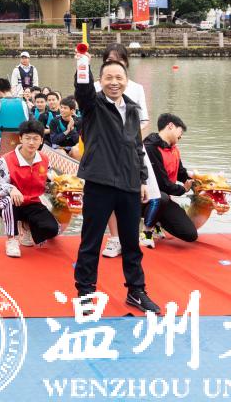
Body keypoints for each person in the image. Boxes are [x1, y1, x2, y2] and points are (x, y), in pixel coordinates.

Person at [73, 50, 160, 314]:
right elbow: (83, 91)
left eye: (119, 78)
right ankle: (85, 293)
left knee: (131, 241)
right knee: (91, 241)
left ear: (126, 80)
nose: (114, 82)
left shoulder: (132, 109)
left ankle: (136, 291)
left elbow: (136, 146)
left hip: (129, 183)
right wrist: (82, 65)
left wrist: (142, 179)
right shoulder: (93, 105)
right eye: (108, 78)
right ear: (100, 81)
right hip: (99, 182)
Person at [96, 43, 154, 259]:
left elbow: (144, 120)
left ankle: (136, 236)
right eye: (109, 60)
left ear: (126, 63)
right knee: (107, 194)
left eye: (119, 60)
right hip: (104, 152)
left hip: (131, 149)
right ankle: (114, 238)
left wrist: (127, 137)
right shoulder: (95, 88)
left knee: (135, 195)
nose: (114, 65)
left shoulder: (136, 88)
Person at [0, 120, 59, 258]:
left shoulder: (44, 159)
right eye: (27, 138)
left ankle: (27, 227)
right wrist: (11, 189)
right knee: (8, 201)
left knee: (52, 229)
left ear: (41, 140)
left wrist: (59, 187)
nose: (31, 142)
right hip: (10, 202)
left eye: (35, 138)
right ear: (20, 138)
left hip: (33, 202)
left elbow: (49, 183)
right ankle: (12, 239)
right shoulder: (6, 159)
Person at [140, 114, 198, 247]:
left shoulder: (173, 149)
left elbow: (181, 173)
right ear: (170, 126)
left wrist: (197, 182)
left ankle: (157, 221)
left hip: (163, 198)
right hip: (144, 198)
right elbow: (162, 184)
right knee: (161, 197)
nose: (181, 136)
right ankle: (146, 232)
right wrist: (183, 189)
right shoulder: (150, 148)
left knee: (190, 234)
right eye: (180, 131)